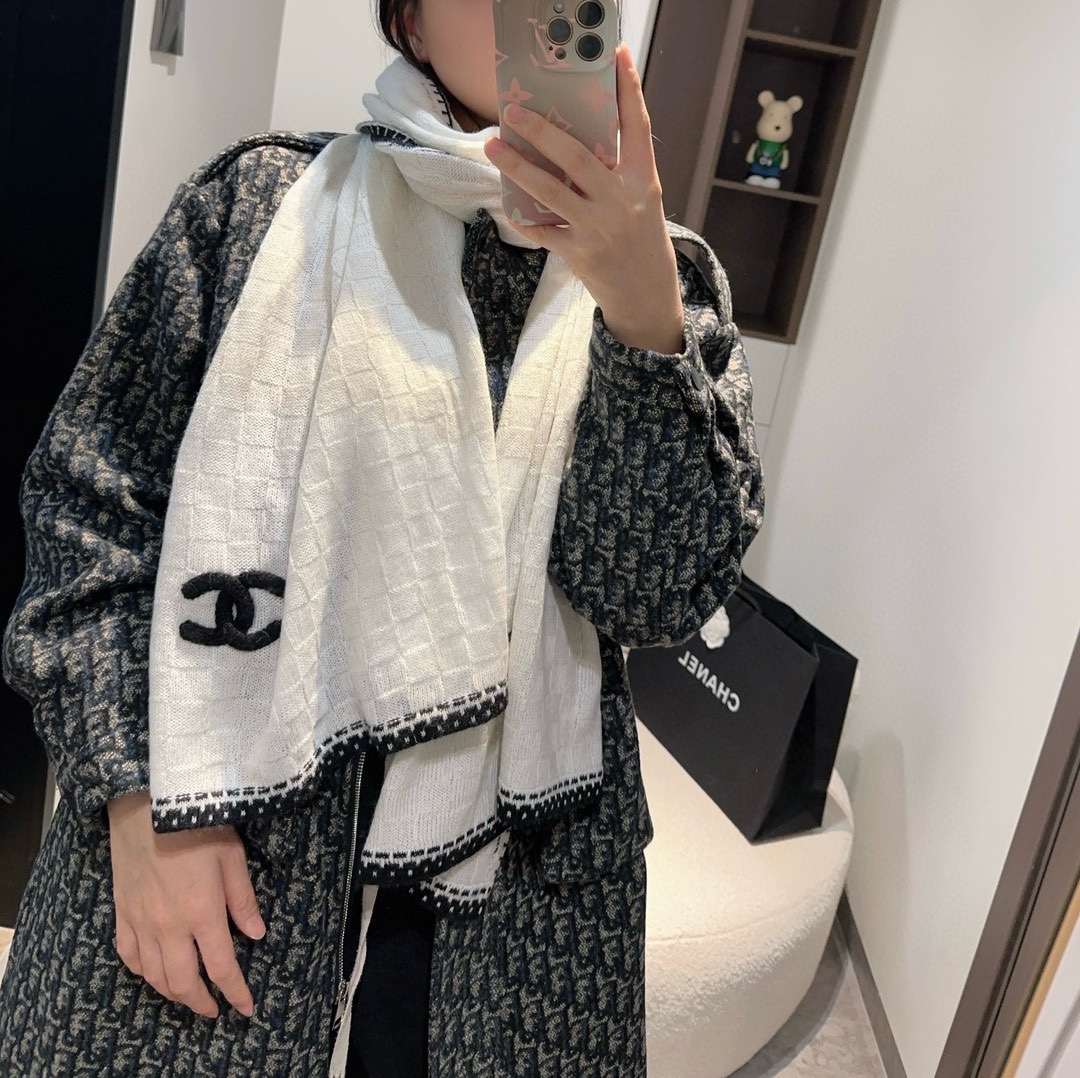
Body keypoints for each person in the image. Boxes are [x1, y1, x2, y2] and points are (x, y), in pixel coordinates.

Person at [0, 0, 764, 1074]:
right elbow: (90, 513)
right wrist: (135, 792)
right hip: (219, 860)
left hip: (517, 917)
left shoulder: (671, 286)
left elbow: (654, 593)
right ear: (406, 17)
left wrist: (643, 318)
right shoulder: (259, 208)